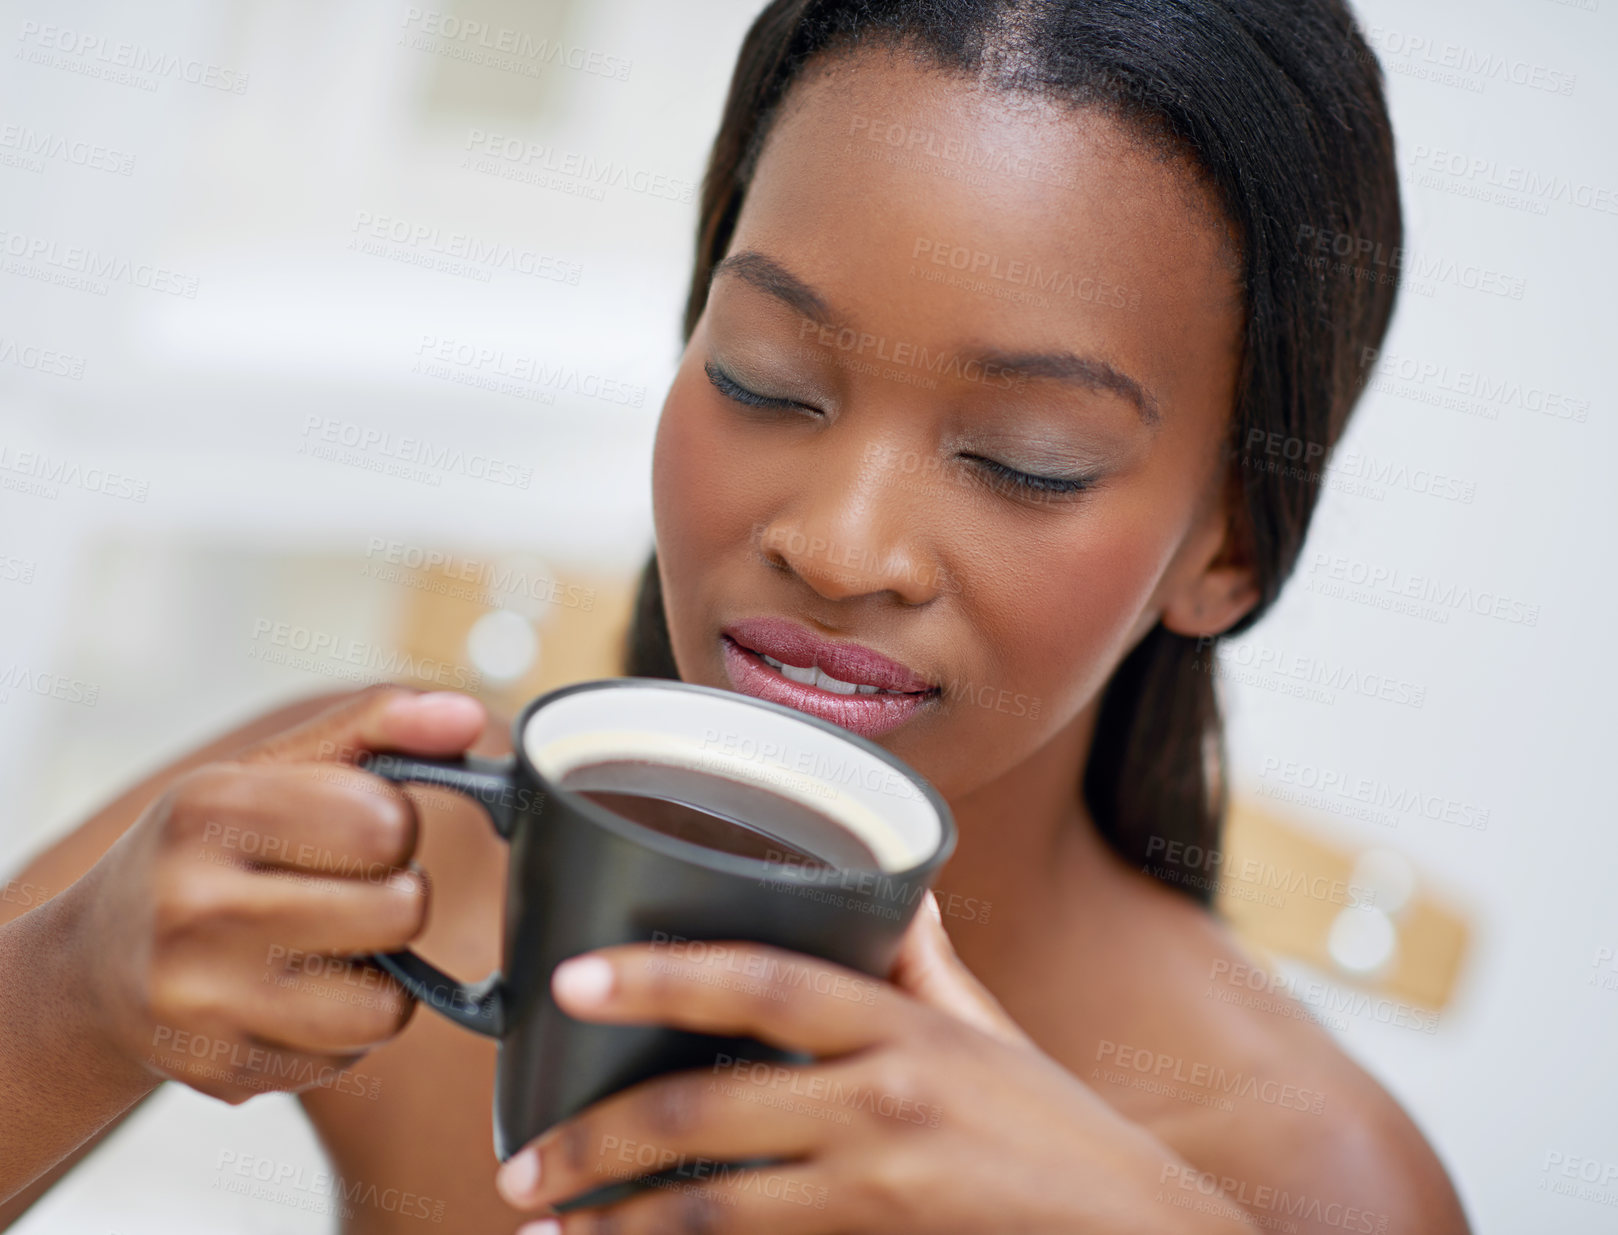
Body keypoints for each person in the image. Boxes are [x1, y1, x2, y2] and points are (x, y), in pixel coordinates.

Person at [0, 1, 1472, 1231]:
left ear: (1227, 544)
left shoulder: (1297, 1183)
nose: (838, 548)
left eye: (1028, 461)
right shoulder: (403, 856)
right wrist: (68, 999)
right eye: (765, 376)